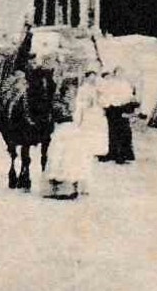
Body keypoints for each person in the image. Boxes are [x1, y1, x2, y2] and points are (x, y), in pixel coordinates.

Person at [46, 70, 104, 199]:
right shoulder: (58, 102)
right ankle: (58, 188)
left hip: (74, 132)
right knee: (58, 157)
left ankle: (72, 187)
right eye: (68, 90)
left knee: (73, 158)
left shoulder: (79, 103)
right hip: (62, 130)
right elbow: (58, 116)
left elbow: (84, 117)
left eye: (72, 91)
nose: (70, 93)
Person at [98, 66, 138, 163]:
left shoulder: (126, 84)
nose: (119, 75)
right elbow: (104, 95)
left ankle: (123, 155)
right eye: (117, 73)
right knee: (112, 132)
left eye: (121, 73)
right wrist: (106, 105)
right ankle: (112, 153)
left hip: (122, 109)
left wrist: (127, 108)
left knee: (123, 132)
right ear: (114, 74)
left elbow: (130, 97)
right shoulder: (110, 83)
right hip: (112, 109)